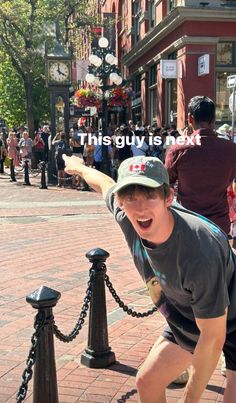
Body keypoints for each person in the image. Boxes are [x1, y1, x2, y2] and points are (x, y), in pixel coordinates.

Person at [63, 153, 236, 402]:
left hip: (230, 315)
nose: (140, 207)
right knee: (148, 380)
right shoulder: (126, 216)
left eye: (149, 194)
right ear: (120, 202)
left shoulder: (199, 249)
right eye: (130, 197)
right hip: (192, 315)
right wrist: (78, 167)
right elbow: (103, 183)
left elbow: (213, 336)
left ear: (168, 197)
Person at [165, 96, 236, 236]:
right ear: (214, 119)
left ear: (190, 119)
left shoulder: (178, 149)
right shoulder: (231, 149)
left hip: (188, 223)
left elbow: (164, 184)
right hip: (219, 225)